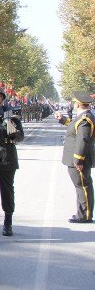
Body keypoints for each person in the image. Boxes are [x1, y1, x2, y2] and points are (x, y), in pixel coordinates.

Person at [0, 86, 24, 240]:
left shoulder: (11, 115)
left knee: (7, 191)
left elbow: (20, 138)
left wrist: (11, 127)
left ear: (3, 98)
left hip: (8, 158)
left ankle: (8, 221)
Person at [54, 92, 94, 224]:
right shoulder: (82, 117)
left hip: (78, 160)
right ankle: (82, 213)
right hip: (76, 159)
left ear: (77, 104)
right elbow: (74, 127)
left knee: (82, 186)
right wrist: (62, 119)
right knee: (81, 185)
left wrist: (78, 160)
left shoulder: (85, 119)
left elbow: (83, 140)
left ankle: (84, 215)